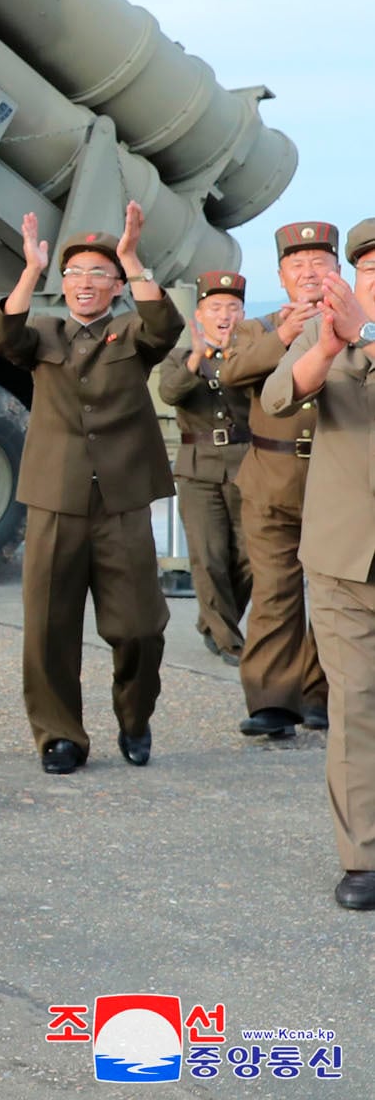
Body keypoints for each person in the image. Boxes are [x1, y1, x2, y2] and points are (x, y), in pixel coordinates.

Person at [0, 204, 179, 774]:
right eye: (74, 274)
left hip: (122, 498)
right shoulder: (43, 332)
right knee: (50, 626)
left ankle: (135, 715)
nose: (85, 283)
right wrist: (30, 270)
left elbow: (166, 327)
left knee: (140, 626)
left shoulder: (136, 332)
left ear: (116, 285)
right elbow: (3, 335)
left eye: (98, 273)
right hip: (56, 497)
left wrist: (132, 257)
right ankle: (59, 736)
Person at [264, 217, 375, 910]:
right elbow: (280, 397)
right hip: (342, 557)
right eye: (369, 271)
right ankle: (362, 854)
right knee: (355, 706)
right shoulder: (328, 334)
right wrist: (332, 342)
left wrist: (362, 340)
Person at [225, 221, 339, 738]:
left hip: (338, 481)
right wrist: (286, 335)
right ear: (281, 275)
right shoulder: (258, 327)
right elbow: (233, 372)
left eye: (319, 262)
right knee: (274, 590)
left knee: (335, 592)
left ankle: (323, 695)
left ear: (338, 269)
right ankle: (274, 702)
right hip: (271, 478)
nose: (309, 272)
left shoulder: (360, 326)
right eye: (298, 265)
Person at [155, 271, 252, 664]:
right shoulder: (180, 357)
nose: (224, 315)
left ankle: (212, 621)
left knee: (249, 557)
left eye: (232, 307)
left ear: (243, 312)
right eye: (215, 307)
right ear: (200, 314)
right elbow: (169, 393)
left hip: (247, 466)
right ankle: (230, 641)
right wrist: (197, 358)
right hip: (198, 470)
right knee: (208, 555)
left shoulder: (253, 355)